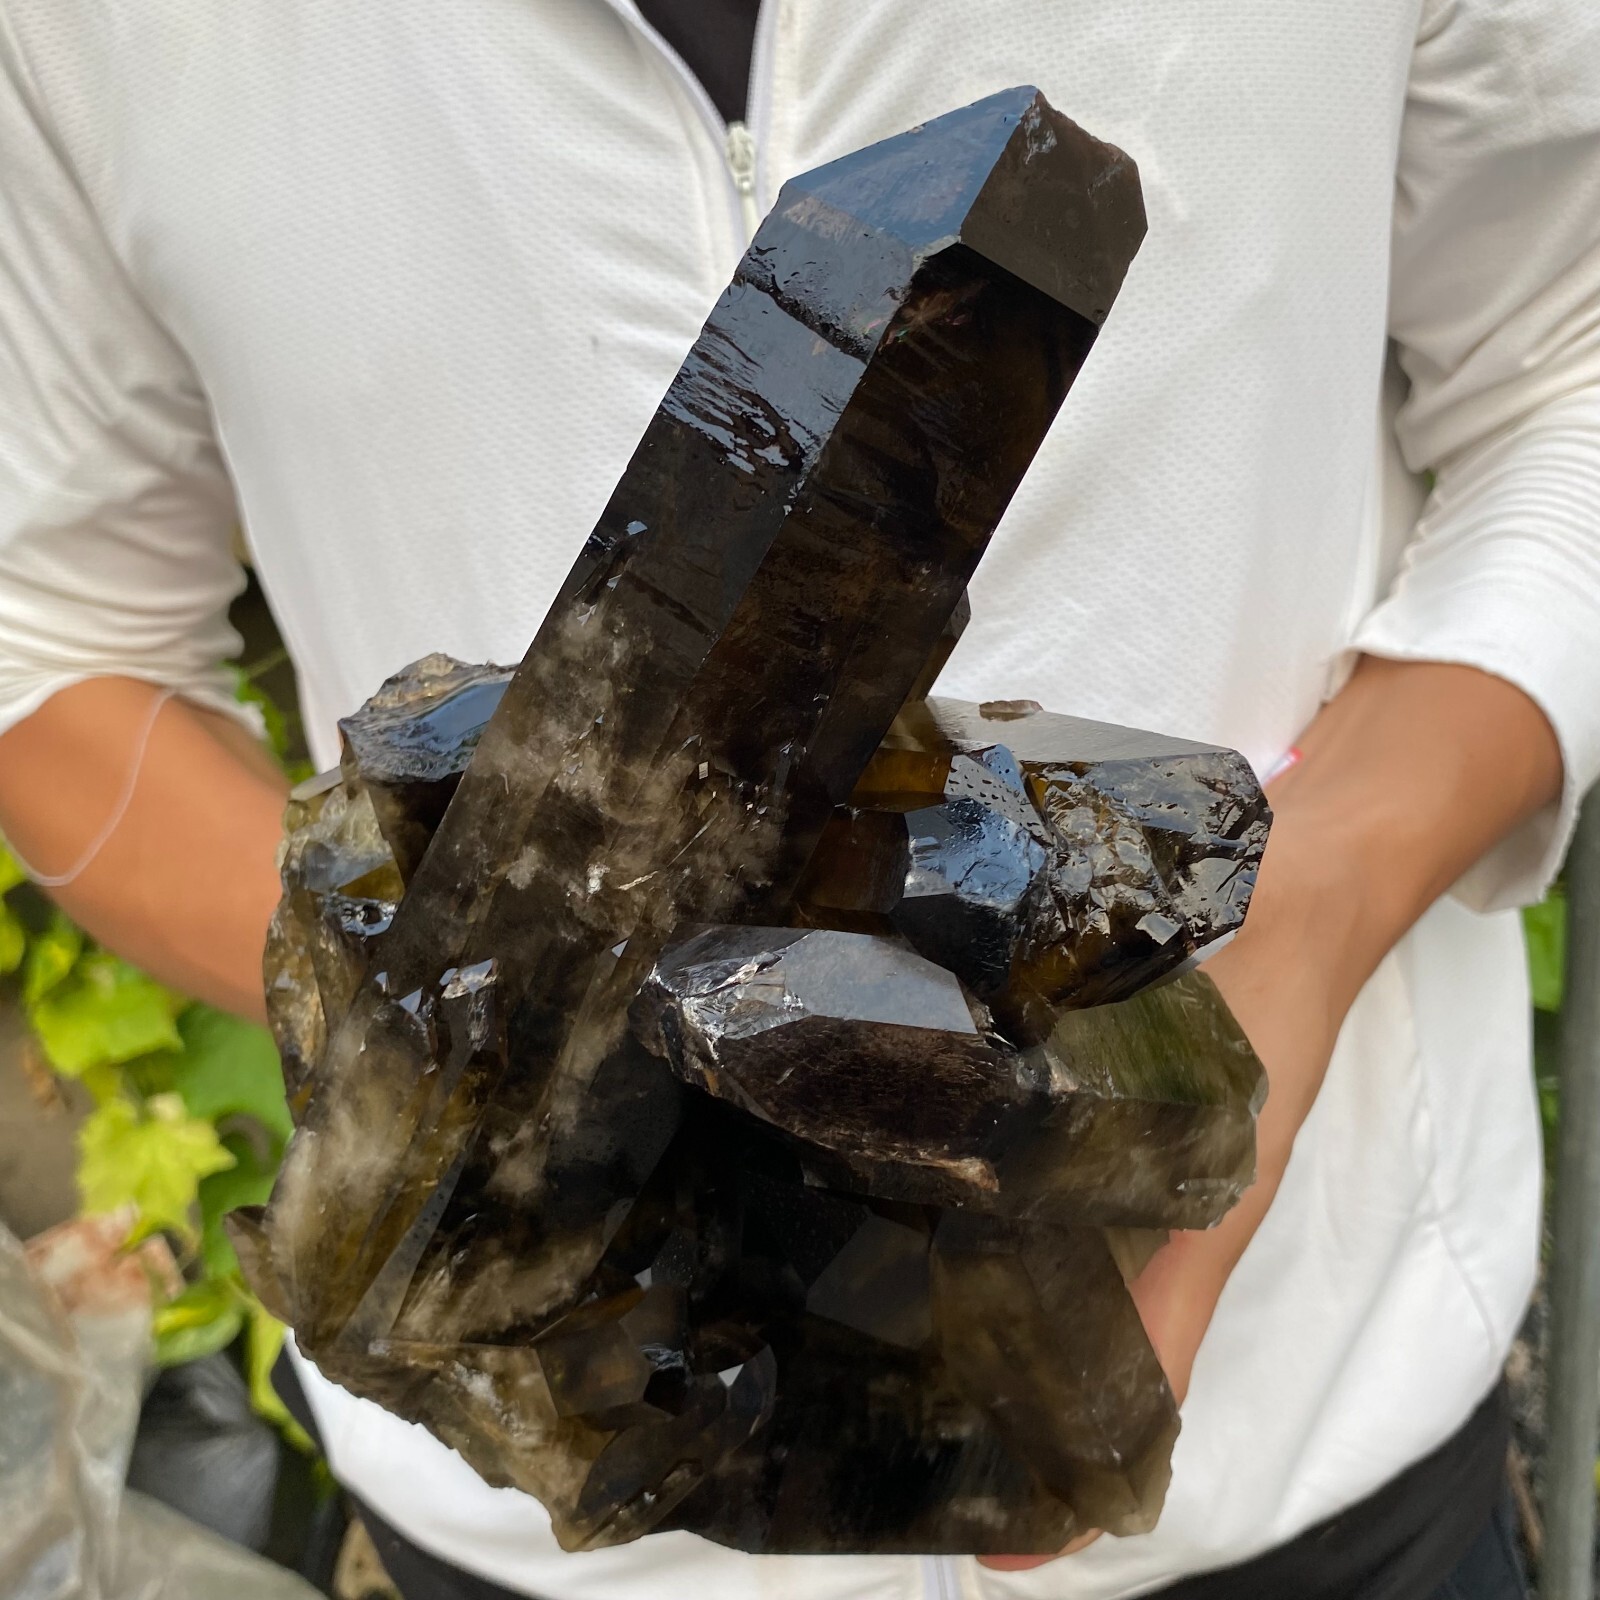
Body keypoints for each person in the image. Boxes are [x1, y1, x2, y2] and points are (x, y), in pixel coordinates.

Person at [1, 1, 1596, 1596]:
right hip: (531, 1515)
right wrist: (459, 1054)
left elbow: (1567, 359)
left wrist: (1318, 913)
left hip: (1319, 1453)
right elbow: (47, 621)